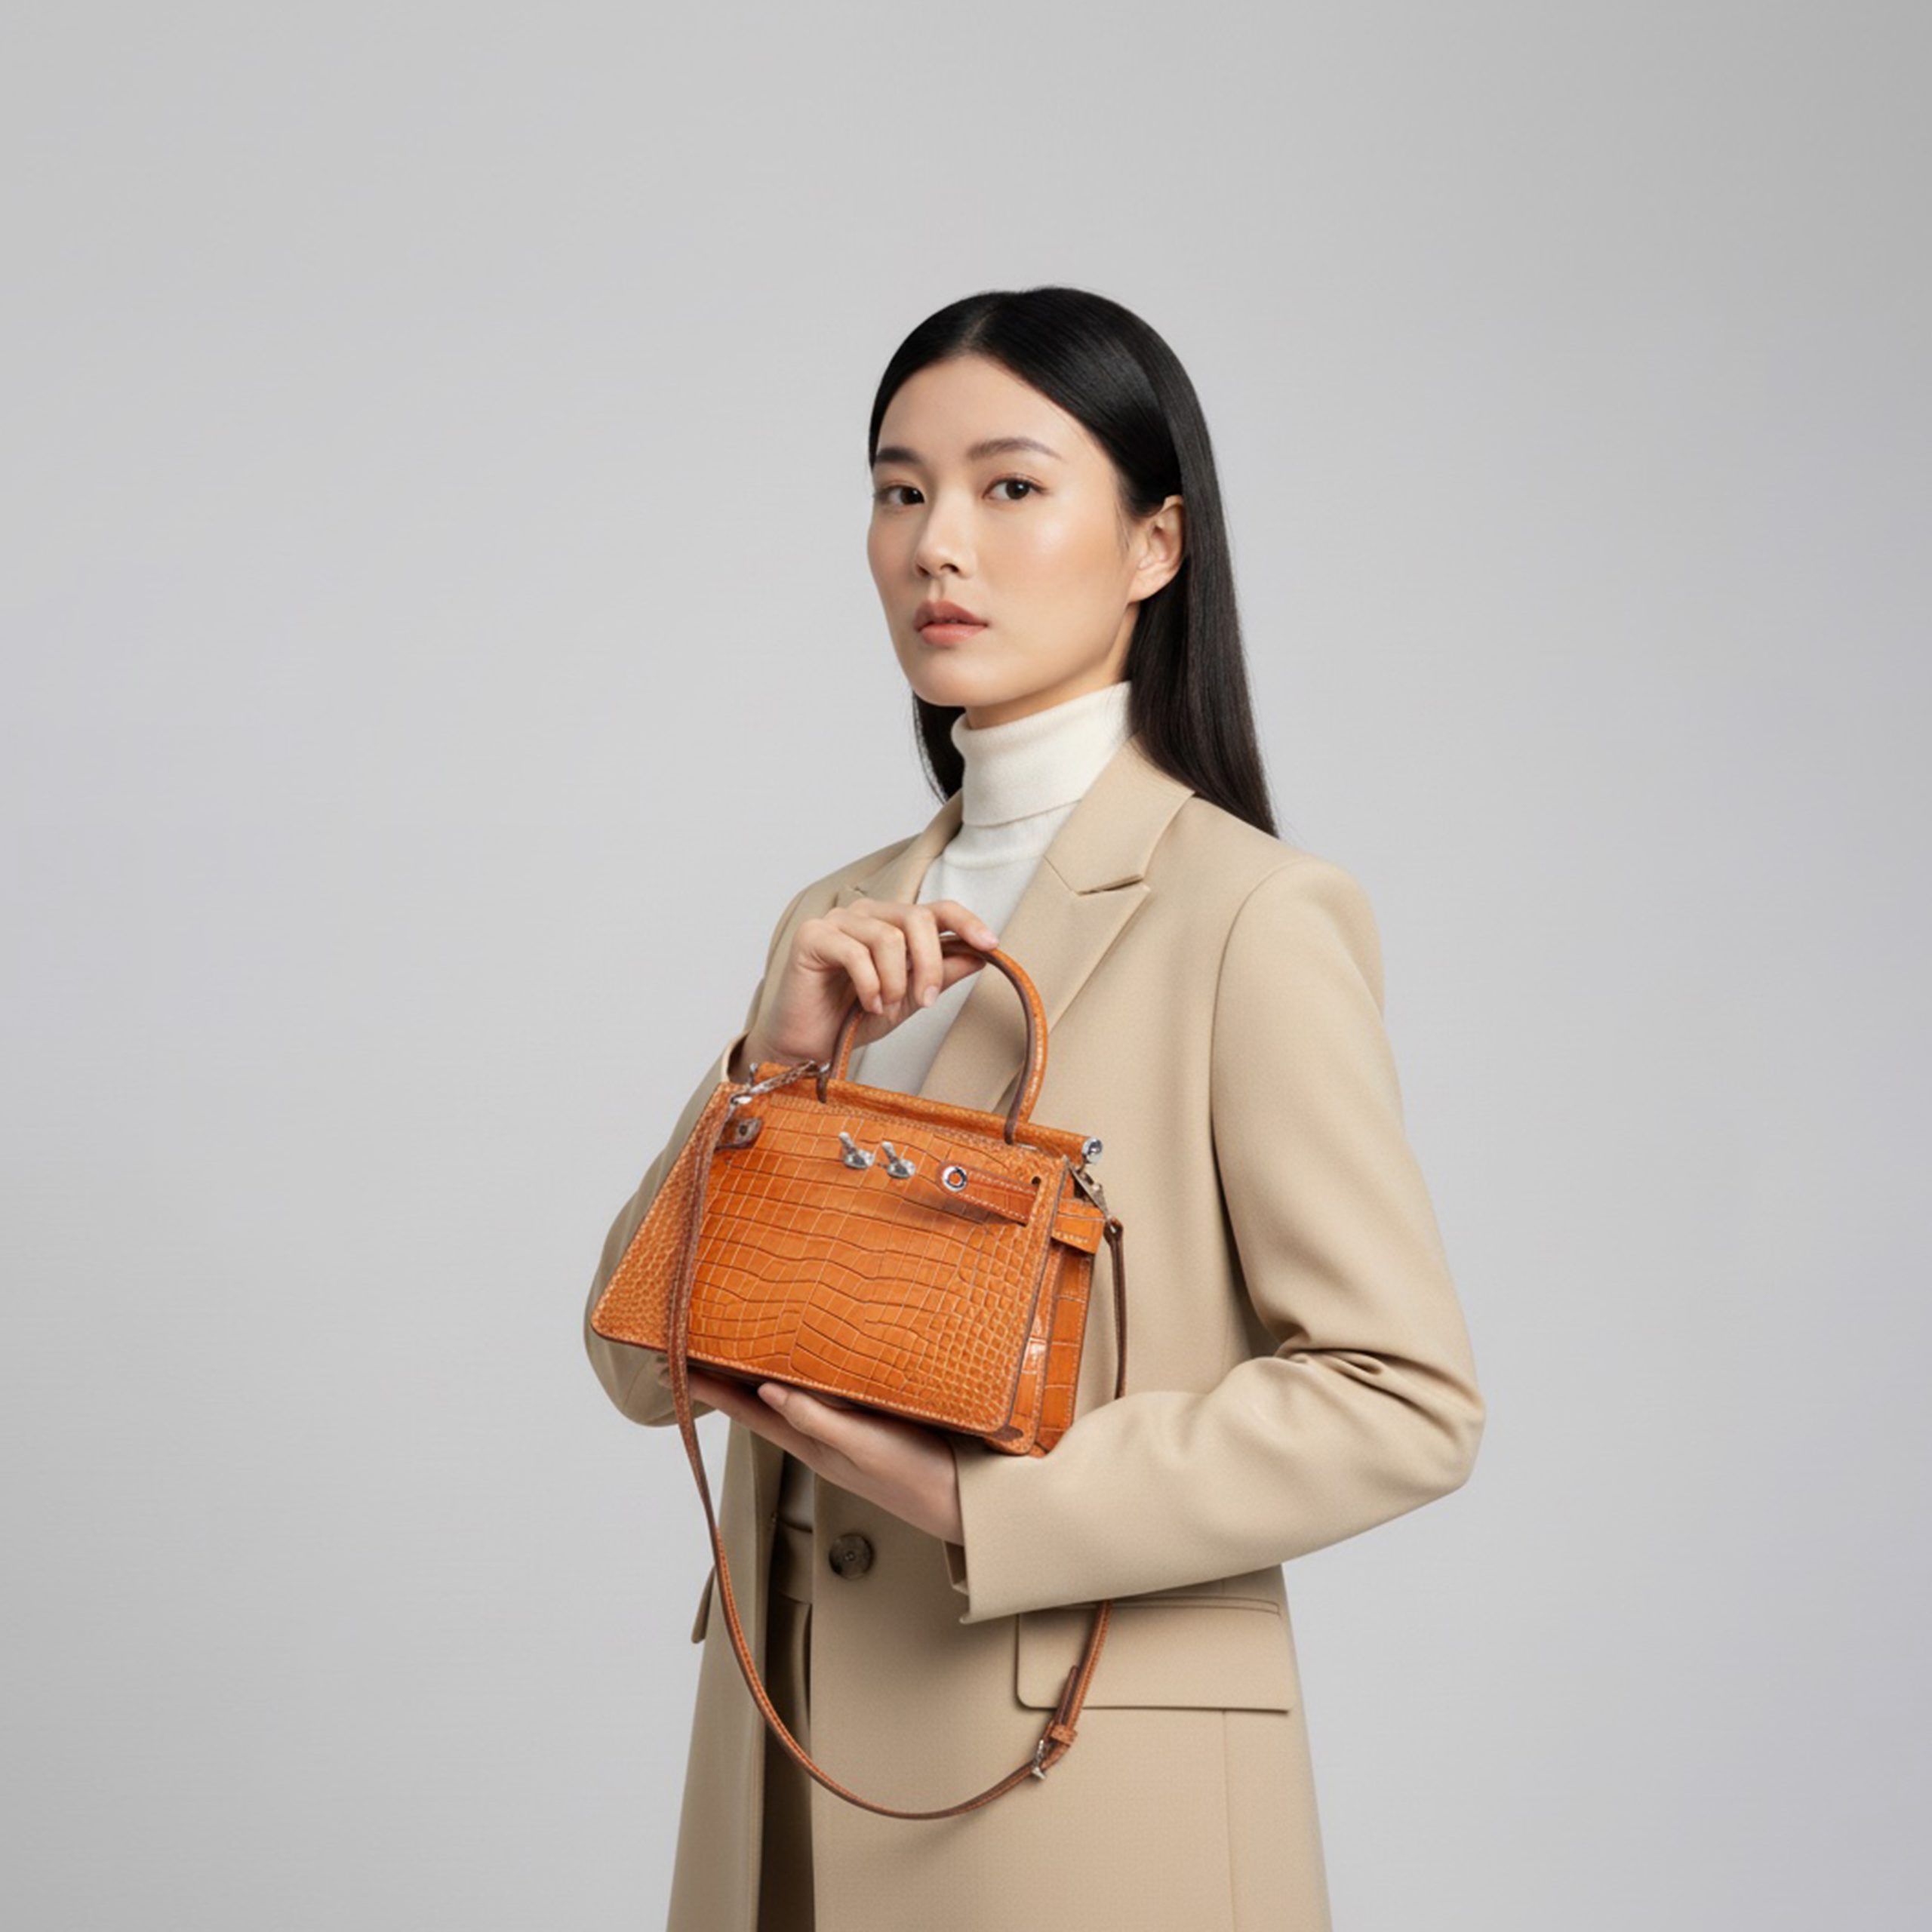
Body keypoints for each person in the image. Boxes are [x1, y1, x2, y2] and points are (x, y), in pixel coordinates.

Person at [581, 285, 1486, 1932]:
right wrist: (767, 1073)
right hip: (784, 1781)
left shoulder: (1248, 914)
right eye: (899, 489)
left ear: (1154, 543)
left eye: (1009, 486)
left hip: (1081, 1793)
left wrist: (982, 1501)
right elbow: (640, 1366)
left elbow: (1401, 1398)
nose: (937, 544)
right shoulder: (837, 916)